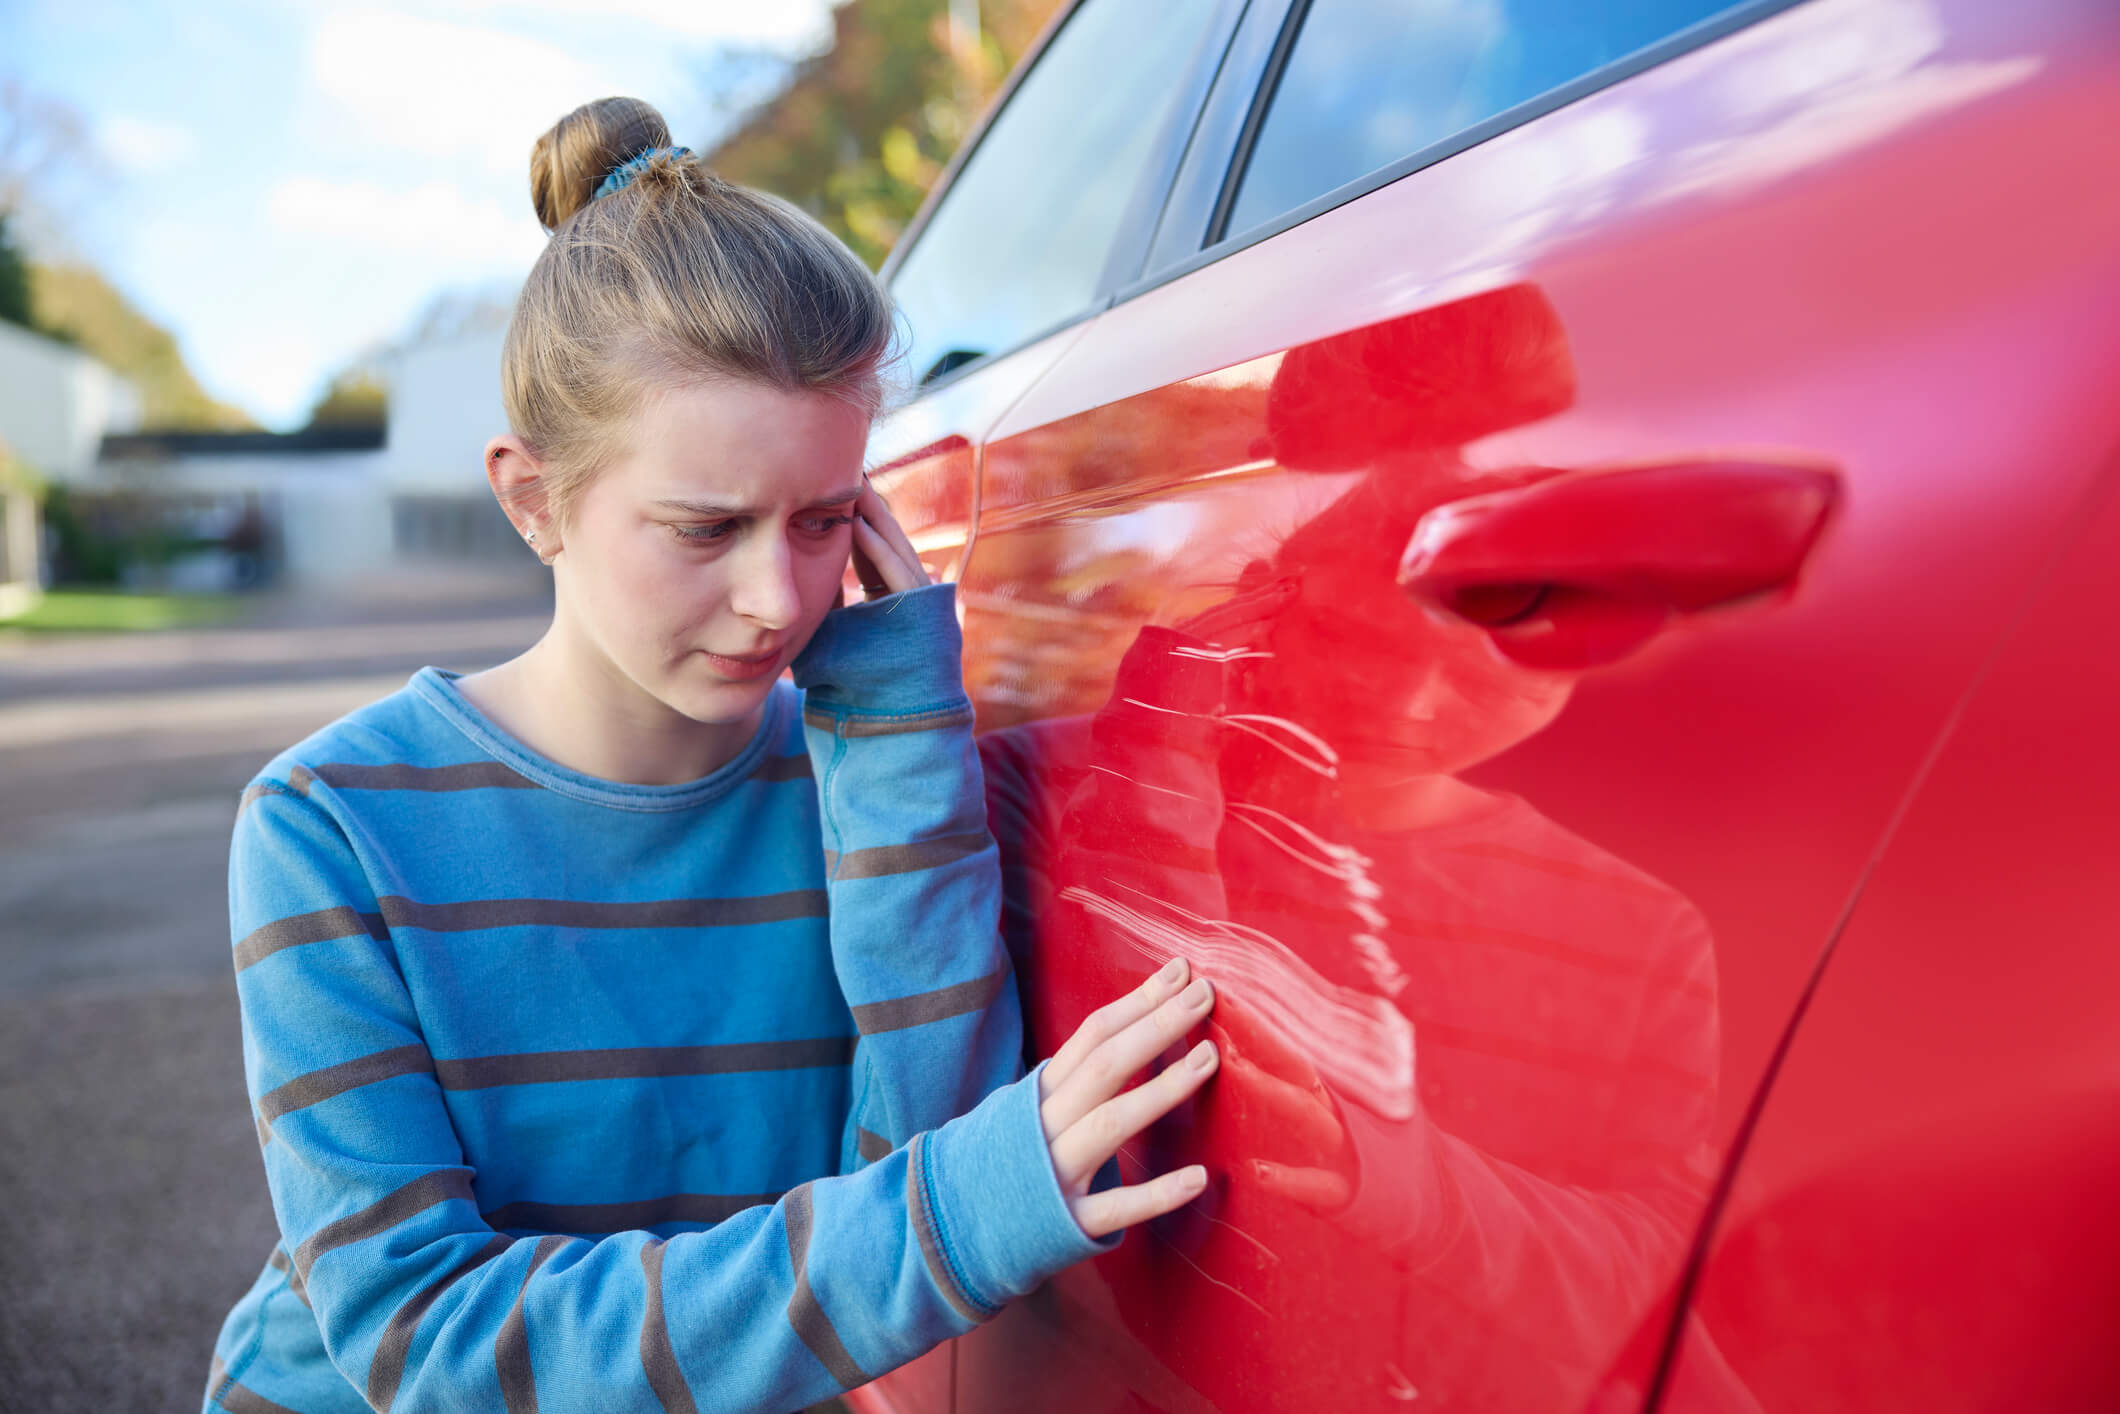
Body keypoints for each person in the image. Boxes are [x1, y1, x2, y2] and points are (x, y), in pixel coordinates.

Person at [201, 96, 1220, 1414]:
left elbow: (912, 1185)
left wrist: (902, 726)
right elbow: (429, 1343)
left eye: (823, 520)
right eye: (705, 526)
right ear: (532, 499)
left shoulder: (858, 776)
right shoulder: (328, 824)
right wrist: (963, 1212)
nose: (776, 598)